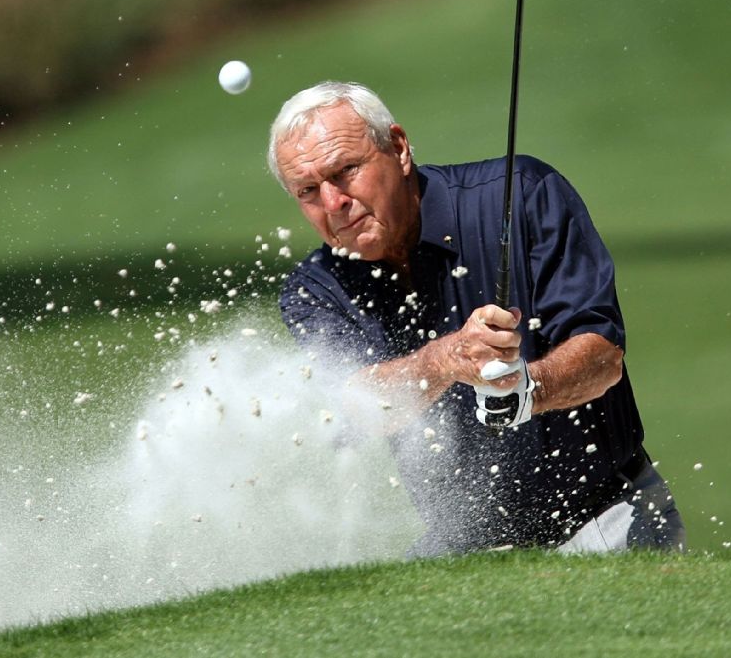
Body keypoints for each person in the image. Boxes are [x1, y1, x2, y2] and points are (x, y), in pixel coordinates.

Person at [268, 80, 684, 557]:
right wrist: (443, 361)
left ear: (398, 148)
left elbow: (602, 357)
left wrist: (528, 389)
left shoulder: (520, 193)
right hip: (465, 545)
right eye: (308, 191)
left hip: (600, 514)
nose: (333, 203)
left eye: (346, 171)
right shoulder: (315, 289)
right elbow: (357, 406)